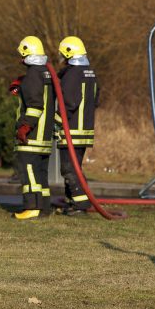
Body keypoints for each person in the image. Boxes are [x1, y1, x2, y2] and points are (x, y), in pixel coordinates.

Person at [55, 36, 100, 216]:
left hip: (71, 130)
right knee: (75, 168)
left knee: (69, 169)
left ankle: (81, 205)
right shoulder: (90, 73)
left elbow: (69, 103)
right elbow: (95, 101)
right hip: (85, 129)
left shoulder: (72, 75)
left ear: (68, 53)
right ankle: (73, 202)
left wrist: (56, 121)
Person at [12, 36, 55, 220]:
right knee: (41, 174)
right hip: (45, 135)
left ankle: (32, 207)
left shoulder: (32, 75)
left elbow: (35, 105)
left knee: (28, 171)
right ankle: (44, 208)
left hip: (32, 136)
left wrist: (24, 127)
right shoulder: (45, 72)